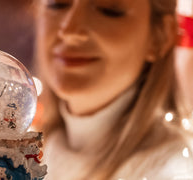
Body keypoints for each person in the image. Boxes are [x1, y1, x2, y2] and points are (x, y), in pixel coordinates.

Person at [34, 0, 193, 179]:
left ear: (160, 36)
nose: (71, 30)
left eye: (108, 10)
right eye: (58, 4)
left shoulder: (173, 170)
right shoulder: (26, 149)